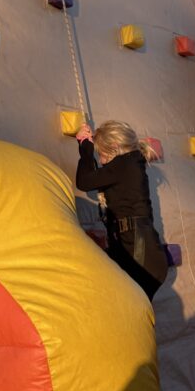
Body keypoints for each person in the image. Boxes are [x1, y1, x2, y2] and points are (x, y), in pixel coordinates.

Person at [74, 120, 168, 301]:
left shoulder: (126, 164)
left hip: (140, 253)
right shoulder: (129, 164)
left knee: (131, 307)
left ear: (115, 147)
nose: (100, 161)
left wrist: (85, 148)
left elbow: (84, 181)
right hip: (138, 248)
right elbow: (93, 180)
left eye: (101, 154)